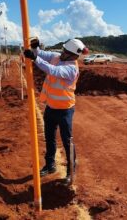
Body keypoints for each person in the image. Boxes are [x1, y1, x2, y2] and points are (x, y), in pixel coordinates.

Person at [24, 37, 88, 183]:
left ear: (73, 55)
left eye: (65, 50)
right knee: (49, 138)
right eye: (63, 49)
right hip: (51, 107)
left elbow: (52, 70)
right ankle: (50, 165)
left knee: (67, 141)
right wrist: (35, 49)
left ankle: (70, 172)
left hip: (65, 110)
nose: (62, 51)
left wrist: (35, 59)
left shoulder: (71, 69)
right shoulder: (58, 57)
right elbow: (42, 54)